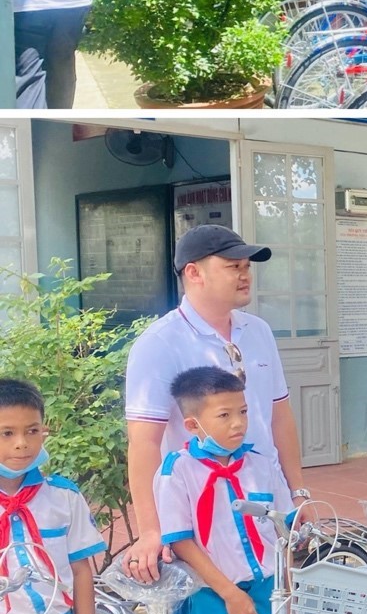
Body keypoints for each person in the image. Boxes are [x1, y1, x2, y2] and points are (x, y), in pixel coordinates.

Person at [123, 225, 309, 584]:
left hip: (262, 501)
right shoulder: (160, 342)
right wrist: (151, 530)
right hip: (200, 512)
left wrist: (297, 491)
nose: (245, 275)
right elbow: (144, 441)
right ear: (193, 273)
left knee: (271, 605)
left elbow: (279, 416)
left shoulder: (258, 331)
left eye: (247, 267)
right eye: (232, 266)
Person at [155, 367, 291, 614]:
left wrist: (287, 591)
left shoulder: (261, 465)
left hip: (268, 589)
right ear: (193, 425)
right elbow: (181, 541)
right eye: (224, 415)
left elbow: (283, 529)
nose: (238, 422)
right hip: (212, 594)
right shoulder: (177, 470)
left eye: (243, 411)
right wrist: (230, 594)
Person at [0, 378, 103, 614]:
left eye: (32, 431)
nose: (22, 443)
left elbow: (80, 570)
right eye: (7, 433)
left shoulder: (64, 496)